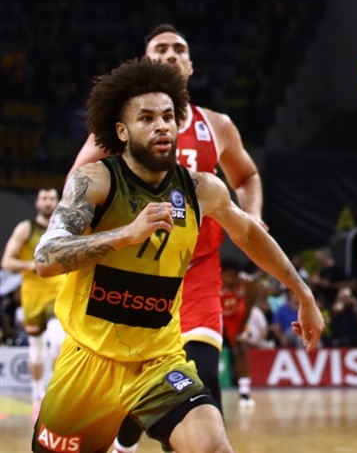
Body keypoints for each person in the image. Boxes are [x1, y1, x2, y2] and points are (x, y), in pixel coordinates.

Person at [31, 58, 323, 453]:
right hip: (89, 362)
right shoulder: (96, 180)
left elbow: (250, 234)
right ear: (122, 130)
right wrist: (125, 234)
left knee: (212, 445)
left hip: (159, 362)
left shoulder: (202, 189)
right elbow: (46, 256)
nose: (162, 125)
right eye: (147, 118)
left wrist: (302, 293)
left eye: (168, 116)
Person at [69, 24, 265, 453]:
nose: (172, 53)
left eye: (180, 48)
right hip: (135, 273)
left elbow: (247, 175)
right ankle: (123, 443)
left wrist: (252, 215)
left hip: (196, 271)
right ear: (147, 63)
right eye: (161, 48)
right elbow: (78, 179)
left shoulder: (218, 125)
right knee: (129, 406)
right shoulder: (122, 125)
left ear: (191, 66)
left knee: (203, 383)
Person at [1, 188, 67, 414]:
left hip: (59, 293)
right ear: (37, 202)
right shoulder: (25, 228)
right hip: (33, 296)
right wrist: (31, 265)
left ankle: (51, 390)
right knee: (37, 349)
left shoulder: (65, 228)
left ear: (58, 202)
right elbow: (7, 262)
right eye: (44, 198)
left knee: (58, 341)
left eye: (52, 198)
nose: (48, 202)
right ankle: (37, 392)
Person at [220, 258, 259, 410]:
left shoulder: (245, 285)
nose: (229, 279)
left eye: (232, 276)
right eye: (226, 276)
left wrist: (240, 329)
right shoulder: (214, 281)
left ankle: (244, 392)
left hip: (237, 319)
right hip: (217, 318)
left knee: (241, 349)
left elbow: (248, 309)